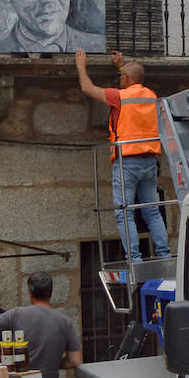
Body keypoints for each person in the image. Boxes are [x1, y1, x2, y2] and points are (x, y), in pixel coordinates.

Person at [75, 49, 171, 264]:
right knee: (152, 212)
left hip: (127, 162)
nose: (119, 79)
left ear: (126, 79)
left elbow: (87, 88)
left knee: (124, 213)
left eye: (121, 76)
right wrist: (122, 66)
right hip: (149, 162)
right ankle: (164, 255)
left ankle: (134, 259)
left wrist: (81, 66)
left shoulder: (119, 96)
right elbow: (133, 77)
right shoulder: (151, 95)